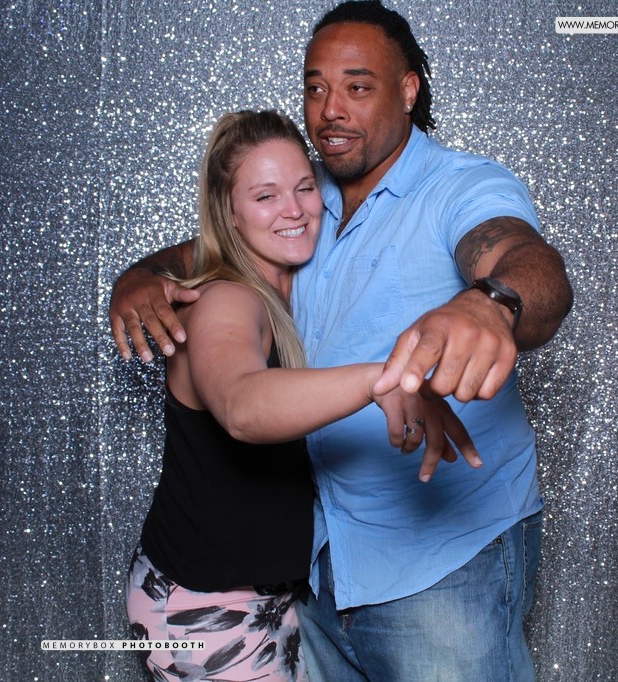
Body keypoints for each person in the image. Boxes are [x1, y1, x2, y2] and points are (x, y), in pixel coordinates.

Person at [111, 2, 574, 680]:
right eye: (316, 87)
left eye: (358, 86)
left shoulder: (459, 188)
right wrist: (138, 277)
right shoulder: (308, 201)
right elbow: (217, 246)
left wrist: (492, 302)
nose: (330, 109)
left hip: (440, 567)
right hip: (319, 572)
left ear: (408, 90)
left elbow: (530, 264)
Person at [124, 109, 478, 682]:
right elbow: (242, 405)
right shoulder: (226, 300)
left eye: (305, 187)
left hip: (273, 595)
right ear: (229, 213)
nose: (294, 210)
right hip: (205, 606)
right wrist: (381, 379)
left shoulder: (301, 281)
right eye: (265, 196)